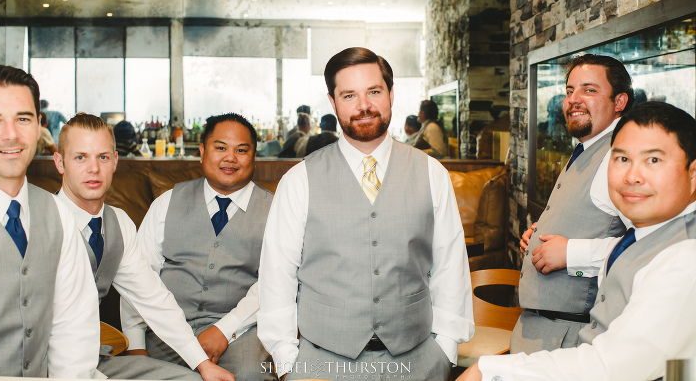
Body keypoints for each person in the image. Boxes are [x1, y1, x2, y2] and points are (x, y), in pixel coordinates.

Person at [258, 47, 474, 381]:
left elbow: (450, 266)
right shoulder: (299, 180)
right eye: (349, 95)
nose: (363, 106)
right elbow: (277, 277)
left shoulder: (431, 173)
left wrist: (444, 350)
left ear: (390, 94)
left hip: (417, 361)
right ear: (332, 103)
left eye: (374, 91)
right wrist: (288, 364)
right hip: (321, 364)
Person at [458, 101, 696, 381]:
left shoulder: (684, 259)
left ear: (693, 174)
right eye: (621, 159)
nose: (632, 176)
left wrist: (490, 371)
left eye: (653, 160)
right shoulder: (646, 233)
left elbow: (613, 366)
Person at [53, 113, 234, 381]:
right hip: (42, 364)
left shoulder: (120, 223)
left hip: (97, 357)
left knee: (194, 380)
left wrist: (201, 364)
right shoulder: (42, 219)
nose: (93, 168)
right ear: (60, 162)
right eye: (80, 157)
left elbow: (154, 301)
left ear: (115, 161)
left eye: (102, 157)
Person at [122, 113, 276, 381]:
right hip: (166, 331)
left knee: (251, 375)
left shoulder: (276, 211)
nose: (230, 158)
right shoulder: (167, 202)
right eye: (220, 148)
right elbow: (139, 277)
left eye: (241, 150)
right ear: (202, 152)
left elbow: (274, 284)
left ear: (254, 156)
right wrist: (135, 345)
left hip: (241, 330)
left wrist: (224, 330)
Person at [0, 65, 99, 378]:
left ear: (38, 125)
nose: (11, 134)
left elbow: (74, 328)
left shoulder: (58, 213)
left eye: (23, 118)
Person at [513, 54, 634, 355]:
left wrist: (570, 253)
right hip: (544, 331)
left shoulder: (621, 157)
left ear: (619, 102)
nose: (574, 100)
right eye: (570, 90)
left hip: (571, 339)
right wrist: (540, 234)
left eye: (589, 90)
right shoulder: (586, 147)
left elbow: (649, 247)